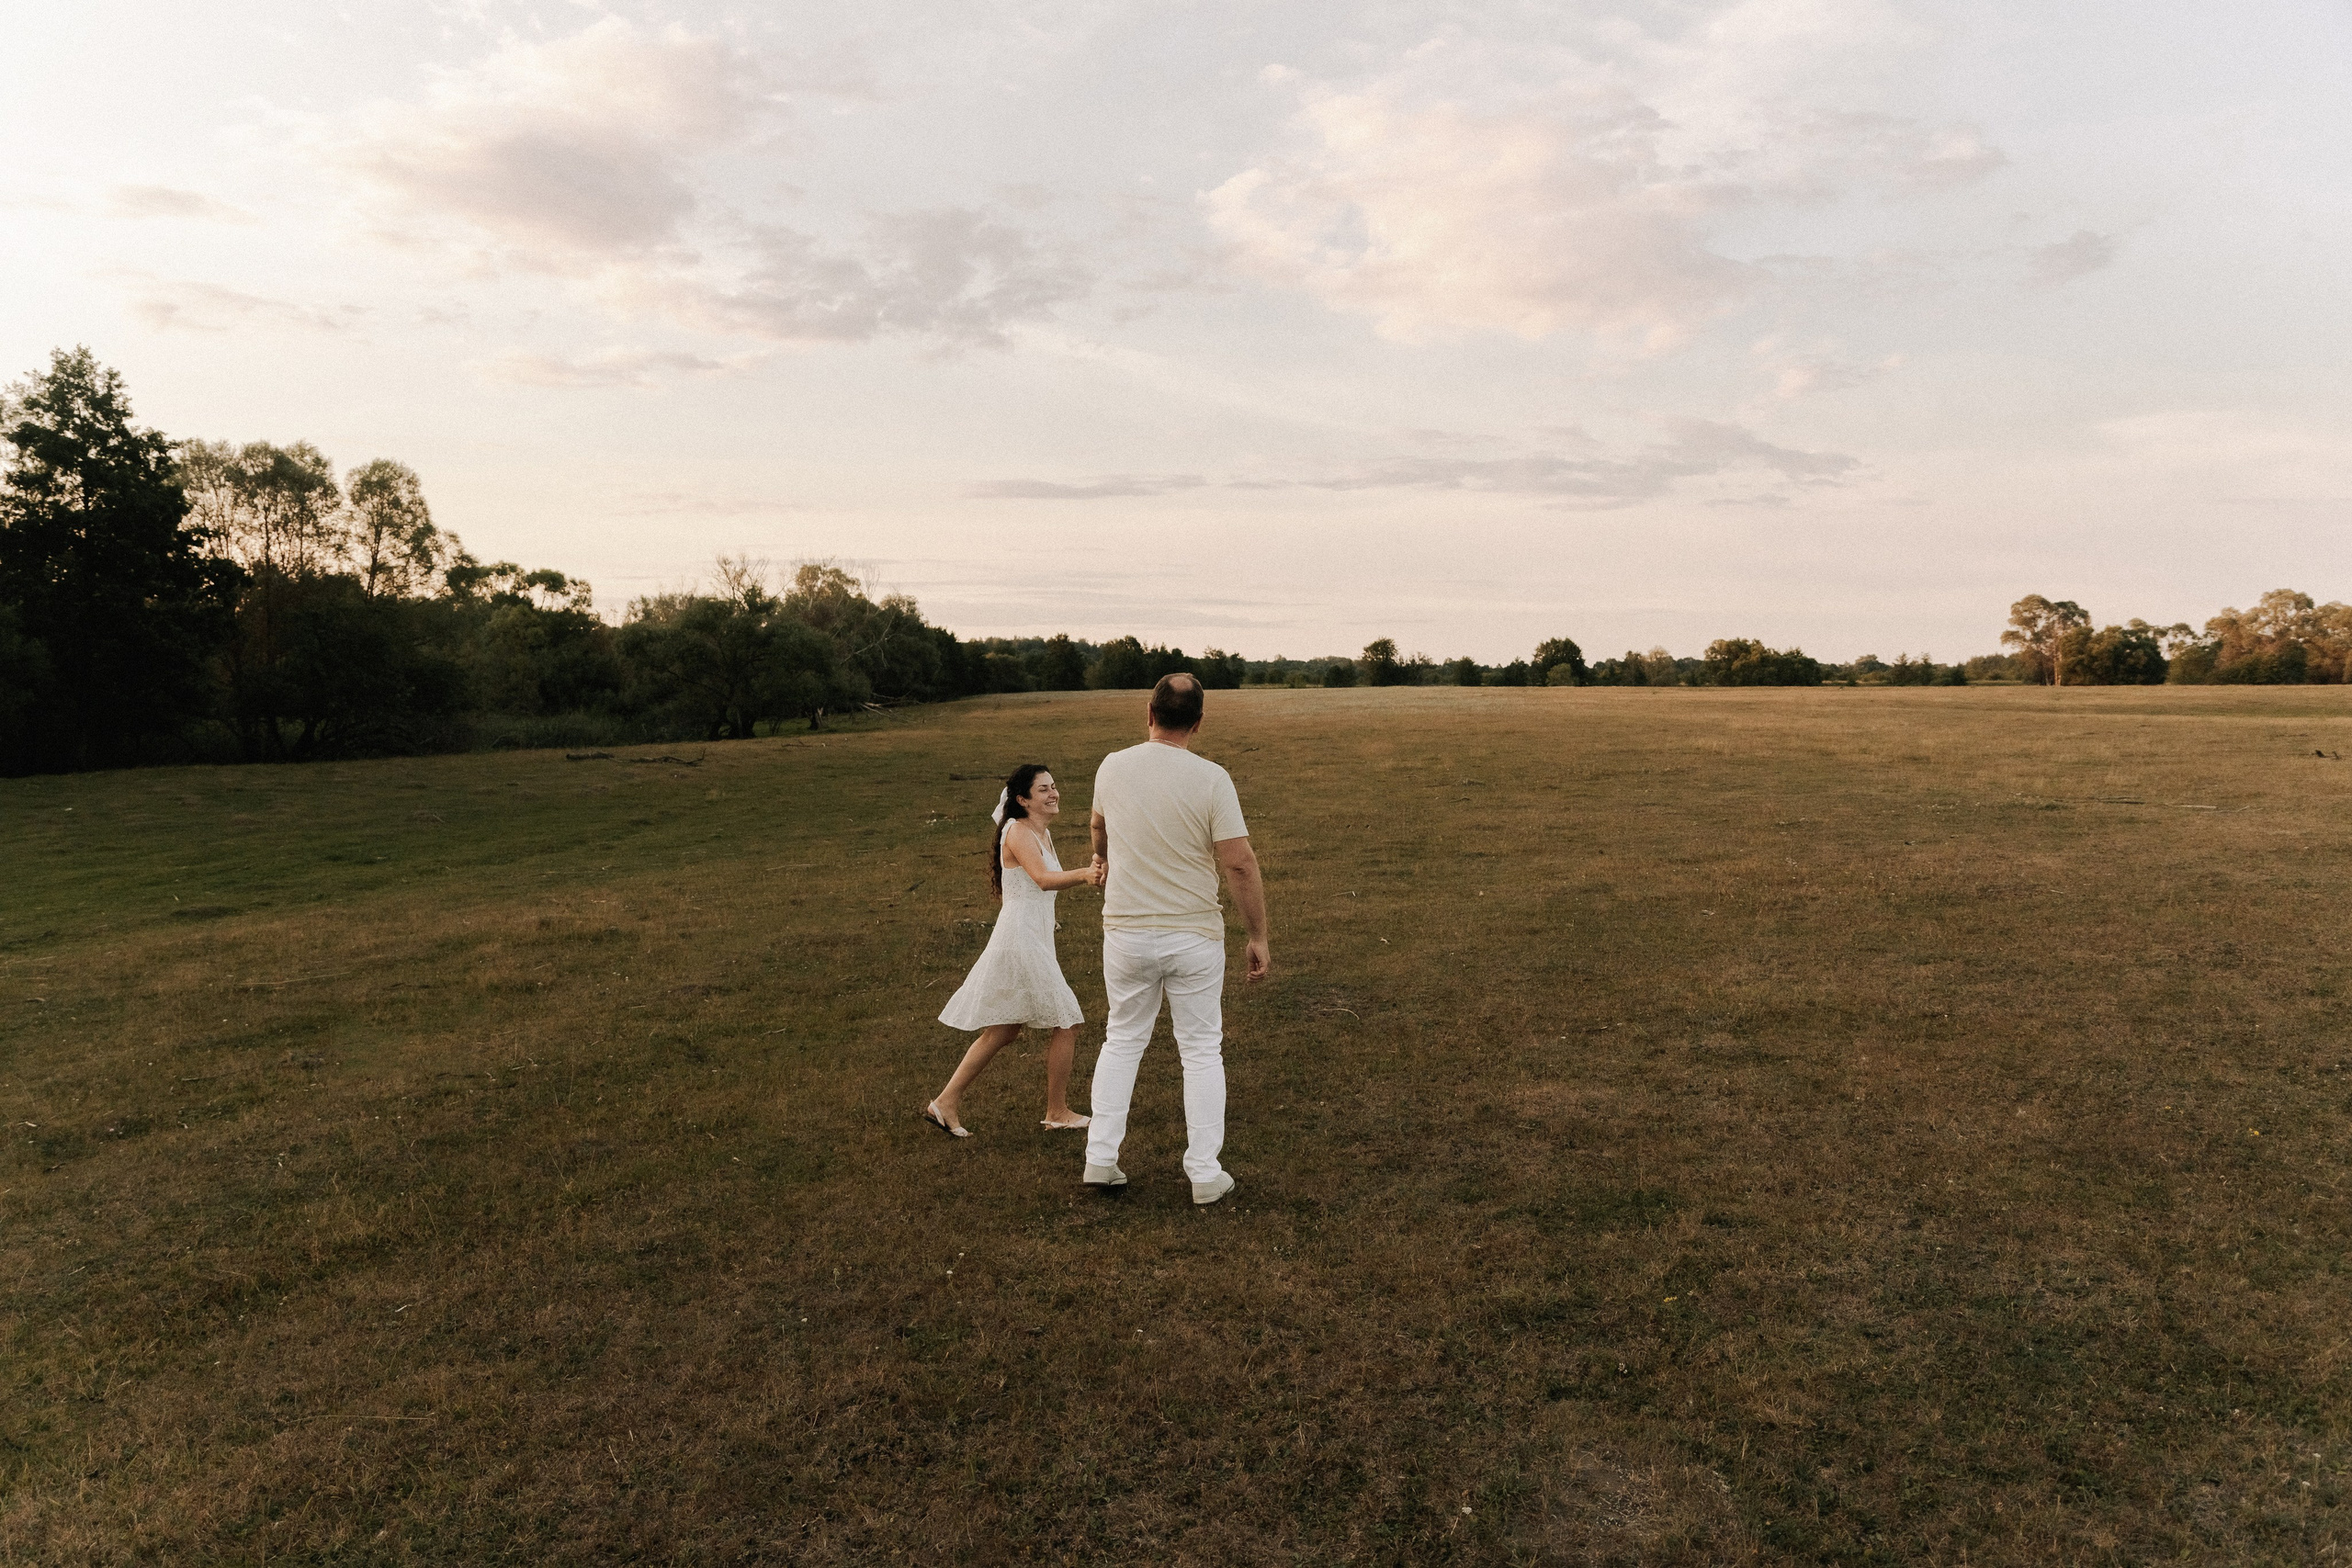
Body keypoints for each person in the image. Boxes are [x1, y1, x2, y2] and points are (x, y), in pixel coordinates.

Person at [1081, 672, 1270, 1204]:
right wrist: (1257, 934)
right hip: (1194, 935)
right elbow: (1238, 862)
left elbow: (1098, 830)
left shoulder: (1112, 766)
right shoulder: (1212, 778)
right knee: (1202, 1051)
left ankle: (1101, 1157)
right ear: (1199, 722)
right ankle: (1204, 1173)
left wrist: (1105, 856)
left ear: (1149, 712)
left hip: (1125, 933)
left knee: (1121, 1041)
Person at [926, 763, 1104, 1137]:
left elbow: (1044, 879)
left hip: (1033, 936)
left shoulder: (1041, 832)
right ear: (1022, 799)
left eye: (1054, 786)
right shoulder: (1019, 831)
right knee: (1067, 1019)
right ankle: (1057, 1111)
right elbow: (1042, 880)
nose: (1053, 793)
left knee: (1004, 1030)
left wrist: (1091, 869)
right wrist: (1085, 875)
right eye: (1043, 789)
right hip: (1020, 938)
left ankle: (944, 1103)